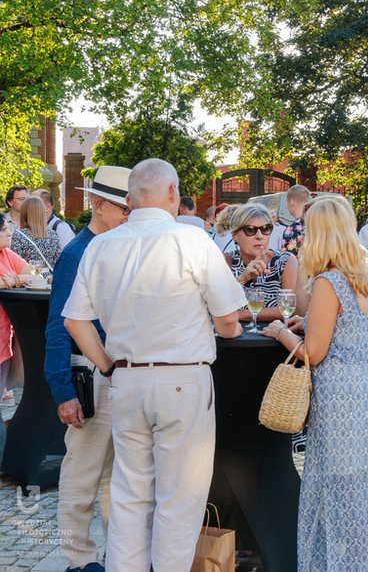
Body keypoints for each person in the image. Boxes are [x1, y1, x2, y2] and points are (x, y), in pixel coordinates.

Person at [63, 158, 246, 570]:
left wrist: (109, 365)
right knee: (179, 499)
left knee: (130, 495)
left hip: (128, 378)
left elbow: (75, 320)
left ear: (129, 199)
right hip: (182, 376)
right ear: (172, 193)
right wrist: (228, 330)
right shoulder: (192, 241)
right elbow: (229, 320)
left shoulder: (101, 245)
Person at [261, 196, 368, 571]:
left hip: (342, 402)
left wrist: (280, 333)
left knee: (344, 491)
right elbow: (356, 327)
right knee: (366, 490)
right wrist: (312, 323)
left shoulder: (329, 281)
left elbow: (313, 353)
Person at [43, 165, 132, 572]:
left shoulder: (118, 247)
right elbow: (59, 326)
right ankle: (79, 561)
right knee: (81, 477)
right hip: (88, 375)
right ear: (99, 205)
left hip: (119, 375)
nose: (131, 216)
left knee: (120, 477)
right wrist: (62, 390)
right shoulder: (77, 252)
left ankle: (117, 557)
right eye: (125, 209)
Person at [225, 203, 298, 322]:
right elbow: (217, 305)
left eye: (265, 229)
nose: (259, 236)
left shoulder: (285, 261)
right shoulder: (226, 261)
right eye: (250, 230)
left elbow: (289, 308)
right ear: (234, 235)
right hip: (233, 336)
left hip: (274, 336)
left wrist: (241, 315)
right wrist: (242, 279)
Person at [0, 214, 33, 401]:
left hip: (4, 341)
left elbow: (33, 272)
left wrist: (13, 280)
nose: (9, 233)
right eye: (4, 229)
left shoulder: (6, 254)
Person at [11, 195, 61, 268]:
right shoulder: (53, 234)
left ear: (24, 213)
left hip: (29, 278)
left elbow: (15, 263)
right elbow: (57, 261)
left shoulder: (19, 235)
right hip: (49, 278)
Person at [282, 185, 311, 255]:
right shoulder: (316, 223)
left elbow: (286, 258)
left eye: (287, 202)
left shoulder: (291, 230)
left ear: (291, 202)